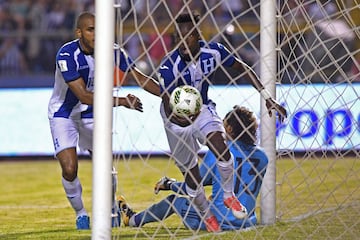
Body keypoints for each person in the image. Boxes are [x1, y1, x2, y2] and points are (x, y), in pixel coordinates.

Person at [155, 11, 287, 231]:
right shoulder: (169, 65)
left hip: (203, 108)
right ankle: (207, 216)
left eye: (187, 36)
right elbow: (168, 104)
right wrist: (179, 117)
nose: (182, 42)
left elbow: (242, 67)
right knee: (192, 177)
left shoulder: (213, 52)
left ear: (197, 35)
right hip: (175, 121)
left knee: (222, 149)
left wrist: (267, 97)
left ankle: (228, 196)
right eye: (178, 37)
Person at [47, 12, 160, 230]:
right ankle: (81, 213)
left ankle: (111, 209)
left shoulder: (113, 50)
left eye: (99, 29)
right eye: (91, 30)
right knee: (70, 169)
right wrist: (122, 100)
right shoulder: (66, 55)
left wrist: (166, 94)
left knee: (105, 166)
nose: (97, 34)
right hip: (64, 114)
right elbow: (82, 95)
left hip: (92, 113)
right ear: (79, 32)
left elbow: (139, 77)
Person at [118, 105, 268, 231]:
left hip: (220, 221)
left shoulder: (220, 152)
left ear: (228, 128)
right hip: (247, 220)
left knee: (173, 201)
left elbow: (194, 186)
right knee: (211, 198)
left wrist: (170, 184)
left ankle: (132, 220)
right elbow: (239, 181)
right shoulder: (263, 157)